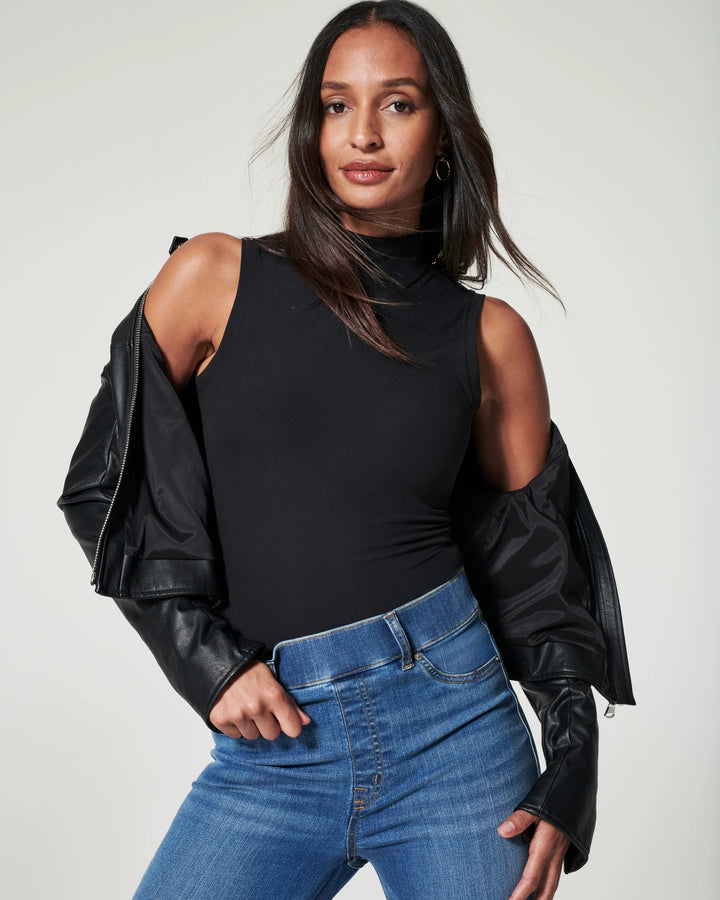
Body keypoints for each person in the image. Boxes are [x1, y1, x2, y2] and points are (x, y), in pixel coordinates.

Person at [57, 2, 635, 898]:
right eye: (336, 105)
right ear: (311, 129)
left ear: (443, 135)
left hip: (455, 731)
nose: (363, 133)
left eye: (398, 103)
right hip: (276, 743)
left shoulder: (491, 337)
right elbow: (103, 484)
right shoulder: (211, 275)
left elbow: (539, 574)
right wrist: (207, 662)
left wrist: (572, 763)